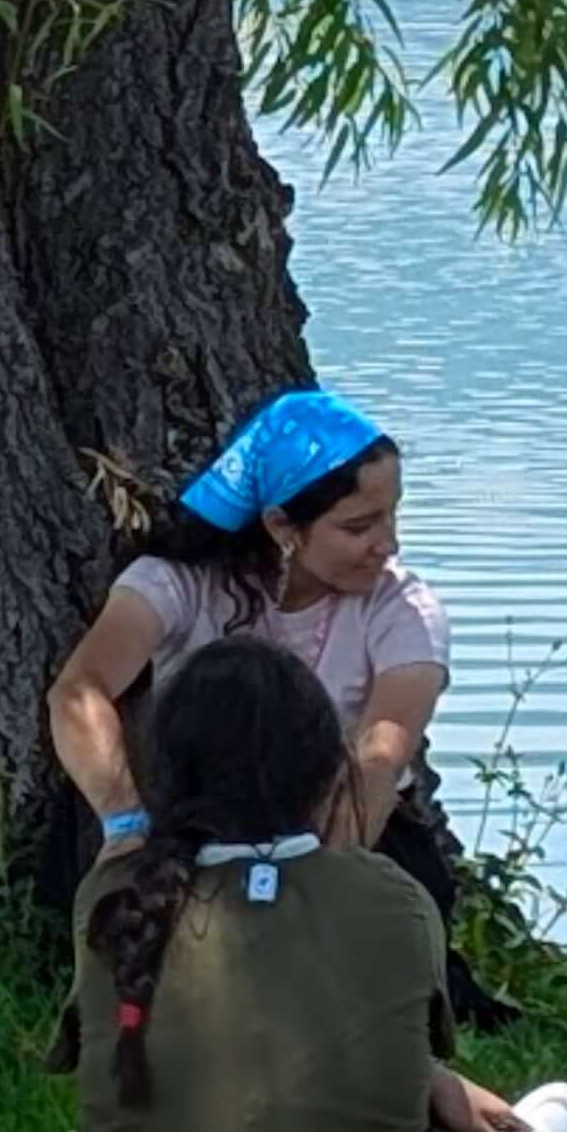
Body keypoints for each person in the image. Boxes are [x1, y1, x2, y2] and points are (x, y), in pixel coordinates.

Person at [64, 637, 567, 1132]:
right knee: (556, 1113)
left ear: (163, 775)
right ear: (325, 771)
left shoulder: (112, 899)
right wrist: (435, 1084)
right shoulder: (391, 899)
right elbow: (379, 1069)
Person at [46, 384, 509, 1028]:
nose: (389, 545)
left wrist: (314, 886)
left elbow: (380, 756)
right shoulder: (178, 582)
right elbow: (79, 690)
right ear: (280, 526)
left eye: (393, 517)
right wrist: (125, 826)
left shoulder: (403, 608)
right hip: (188, 823)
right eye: (359, 526)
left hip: (341, 820)